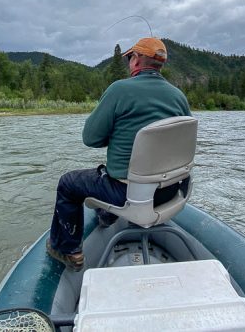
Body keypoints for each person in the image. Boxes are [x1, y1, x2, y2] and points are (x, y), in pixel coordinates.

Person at [46, 37, 191, 271]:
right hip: (172, 192)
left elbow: (90, 138)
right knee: (111, 175)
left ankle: (67, 250)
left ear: (135, 60)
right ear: (159, 65)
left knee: (68, 184)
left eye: (130, 57)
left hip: (128, 193)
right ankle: (107, 215)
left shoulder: (119, 89)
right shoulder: (178, 96)